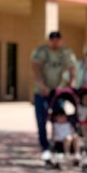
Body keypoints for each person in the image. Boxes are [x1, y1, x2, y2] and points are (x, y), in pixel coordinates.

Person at [31, 31, 77, 162]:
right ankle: (45, 146)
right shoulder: (41, 51)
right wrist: (41, 85)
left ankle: (59, 145)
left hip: (58, 92)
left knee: (59, 119)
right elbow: (36, 68)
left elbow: (72, 68)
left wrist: (71, 83)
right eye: (53, 40)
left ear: (61, 40)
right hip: (42, 92)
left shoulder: (66, 52)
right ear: (49, 40)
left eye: (58, 40)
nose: (55, 42)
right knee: (41, 120)